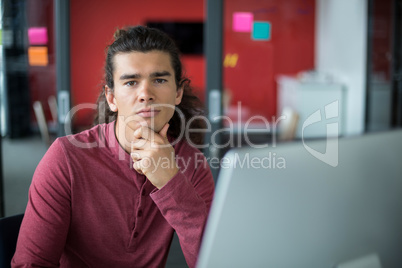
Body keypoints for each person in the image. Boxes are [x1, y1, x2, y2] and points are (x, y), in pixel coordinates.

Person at [12, 25, 215, 268]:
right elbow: (31, 264)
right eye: (131, 82)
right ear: (111, 98)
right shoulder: (65, 157)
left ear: (178, 93)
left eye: (159, 79)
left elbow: (215, 259)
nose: (145, 94)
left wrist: (171, 181)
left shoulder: (191, 163)